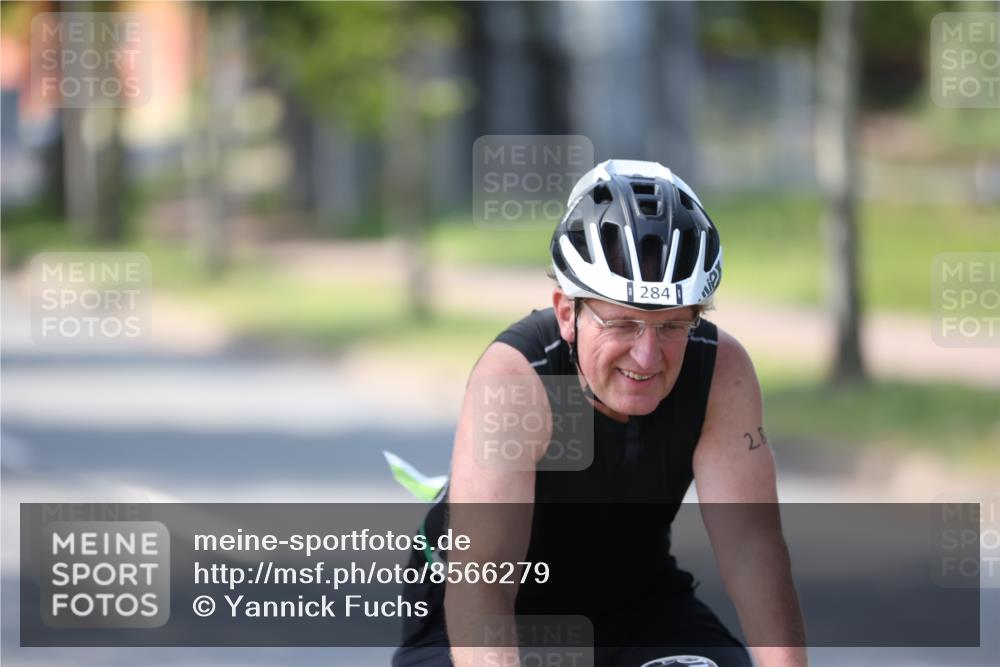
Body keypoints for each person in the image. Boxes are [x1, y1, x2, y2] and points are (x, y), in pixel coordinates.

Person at [392, 159, 807, 667]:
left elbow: (752, 548)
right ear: (568, 313)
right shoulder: (520, 380)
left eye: (672, 326)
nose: (647, 357)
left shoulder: (720, 371)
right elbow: (483, 584)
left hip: (636, 604)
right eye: (623, 324)